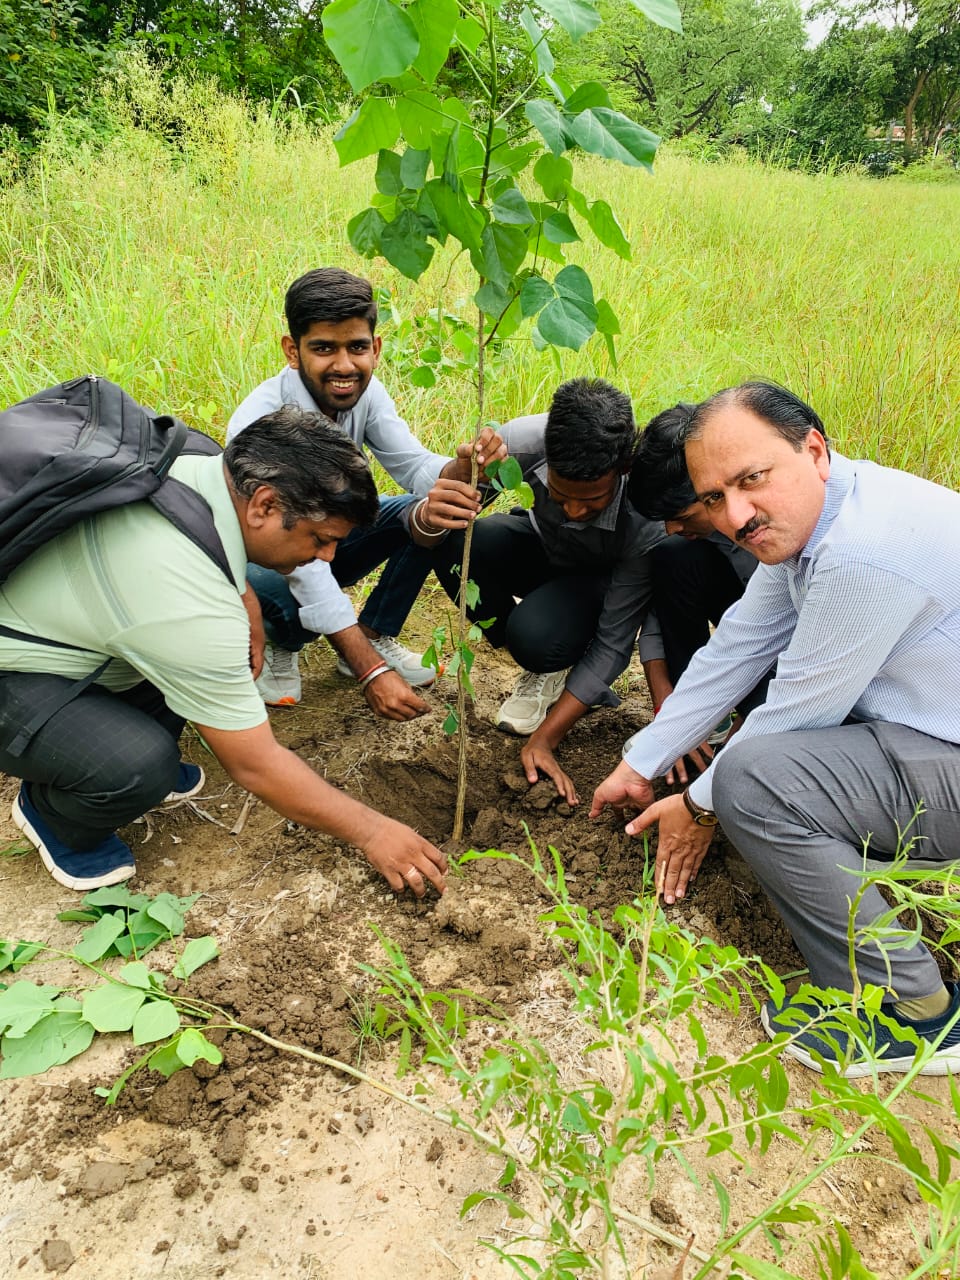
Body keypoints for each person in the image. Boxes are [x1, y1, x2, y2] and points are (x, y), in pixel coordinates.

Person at [591, 381, 960, 1075]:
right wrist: (640, 762)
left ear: (814, 449)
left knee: (757, 782)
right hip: (934, 735)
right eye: (713, 498)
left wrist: (699, 803)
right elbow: (739, 645)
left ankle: (914, 1012)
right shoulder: (820, 519)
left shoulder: (866, 551)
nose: (735, 514)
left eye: (751, 479)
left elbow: (797, 714)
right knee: (756, 771)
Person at [0, 407, 447, 898]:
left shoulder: (200, 460)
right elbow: (255, 764)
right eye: (321, 540)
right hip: (14, 668)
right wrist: (375, 832)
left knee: (208, 660)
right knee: (136, 766)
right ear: (264, 505)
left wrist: (247, 600)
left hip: (60, 621)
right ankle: (54, 816)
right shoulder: (183, 600)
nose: (327, 558)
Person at [228, 267, 504, 717]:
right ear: (292, 351)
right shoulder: (260, 423)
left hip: (324, 544)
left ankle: (374, 631)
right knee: (280, 590)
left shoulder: (365, 393)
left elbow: (415, 467)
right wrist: (371, 671)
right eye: (323, 348)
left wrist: (467, 466)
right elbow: (305, 571)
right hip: (269, 559)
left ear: (375, 347)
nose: (344, 366)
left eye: (357, 347)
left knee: (434, 511)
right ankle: (285, 641)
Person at [427, 378, 664, 804]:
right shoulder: (519, 443)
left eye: (591, 502)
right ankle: (541, 659)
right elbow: (448, 503)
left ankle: (551, 653)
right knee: (456, 546)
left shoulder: (646, 506)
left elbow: (615, 642)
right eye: (561, 496)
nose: (574, 510)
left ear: (622, 470)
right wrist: (462, 472)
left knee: (535, 636)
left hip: (602, 583)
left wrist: (545, 738)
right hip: (545, 551)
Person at [628, 403, 767, 783]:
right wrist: (673, 714)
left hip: (807, 661)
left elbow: (804, 656)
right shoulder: (696, 529)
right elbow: (660, 611)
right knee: (675, 557)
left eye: (685, 517)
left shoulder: (770, 531)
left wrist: (719, 775)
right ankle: (708, 719)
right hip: (751, 626)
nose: (672, 528)